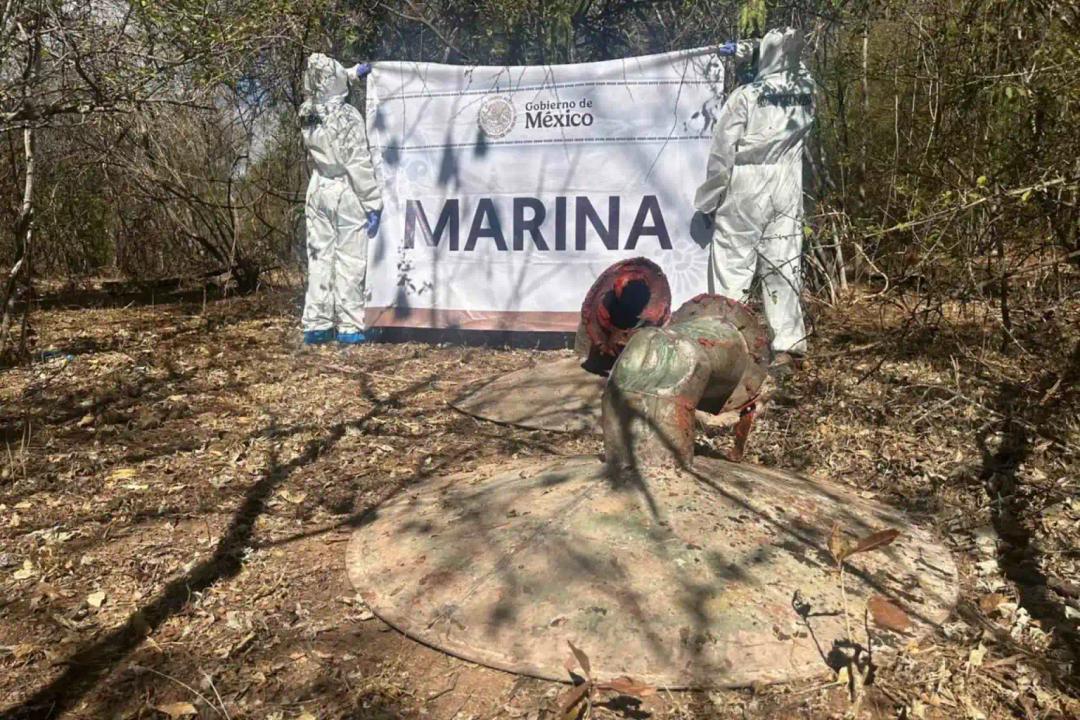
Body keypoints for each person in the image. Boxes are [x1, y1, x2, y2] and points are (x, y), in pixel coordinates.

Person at [694, 27, 816, 375]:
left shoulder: (745, 97)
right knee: (783, 263)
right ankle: (788, 348)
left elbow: (722, 154)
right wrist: (756, 50)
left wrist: (709, 200)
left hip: (747, 185)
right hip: (787, 184)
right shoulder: (807, 92)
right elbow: (787, 59)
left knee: (733, 264)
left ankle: (730, 347)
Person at [299, 54, 382, 345]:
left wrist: (353, 72)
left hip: (318, 188)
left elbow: (325, 84)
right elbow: (358, 162)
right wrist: (373, 203)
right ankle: (349, 326)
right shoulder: (347, 117)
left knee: (320, 258)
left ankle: (317, 325)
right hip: (345, 189)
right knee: (350, 259)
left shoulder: (307, 111)